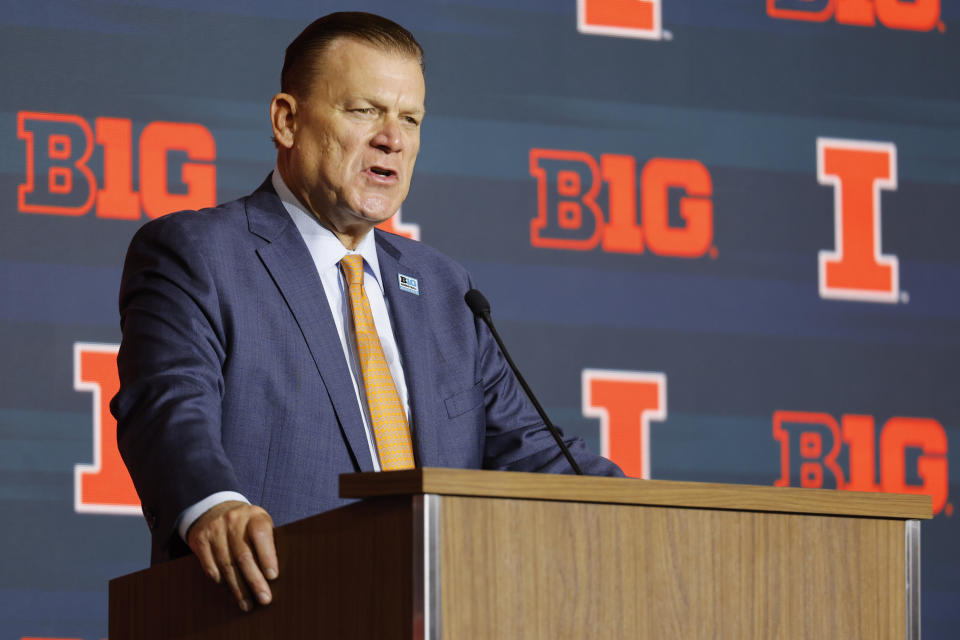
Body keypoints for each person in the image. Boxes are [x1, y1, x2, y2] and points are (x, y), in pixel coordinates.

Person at [111, 11, 622, 614]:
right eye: (364, 110)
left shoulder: (443, 286)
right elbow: (168, 405)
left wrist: (656, 511)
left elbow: (533, 451)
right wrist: (212, 503)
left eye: (410, 119)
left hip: (435, 609)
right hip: (268, 609)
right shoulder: (200, 253)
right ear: (287, 121)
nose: (393, 139)